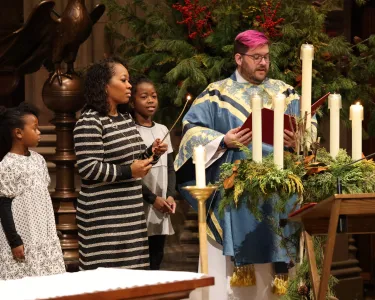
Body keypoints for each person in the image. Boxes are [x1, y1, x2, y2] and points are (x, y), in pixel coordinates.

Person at [175, 30, 317, 299]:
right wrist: (222, 140)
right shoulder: (216, 94)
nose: (264, 63)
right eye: (257, 57)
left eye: (266, 57)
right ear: (239, 58)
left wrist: (299, 136)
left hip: (280, 193)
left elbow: (309, 126)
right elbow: (191, 130)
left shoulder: (284, 92)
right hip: (235, 196)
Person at [73, 57, 173, 271]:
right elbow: (88, 168)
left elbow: (136, 159)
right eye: (124, 80)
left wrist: (152, 154)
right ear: (105, 86)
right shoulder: (90, 120)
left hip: (131, 215)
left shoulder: (124, 119)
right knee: (106, 283)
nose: (129, 85)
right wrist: (129, 171)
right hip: (104, 218)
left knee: (133, 281)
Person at [0, 103, 65, 280]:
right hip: (24, 235)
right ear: (18, 133)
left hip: (43, 233)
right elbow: (4, 206)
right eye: (34, 128)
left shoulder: (39, 160)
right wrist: (14, 240)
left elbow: (43, 197)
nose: (39, 132)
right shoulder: (7, 165)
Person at [129, 77, 177, 270]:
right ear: (132, 102)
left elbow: (171, 167)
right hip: (142, 204)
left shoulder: (162, 129)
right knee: (140, 262)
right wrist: (151, 198)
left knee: (156, 259)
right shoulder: (130, 131)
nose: (150, 100)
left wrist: (171, 195)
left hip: (162, 205)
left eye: (154, 96)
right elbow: (132, 172)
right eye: (144, 96)